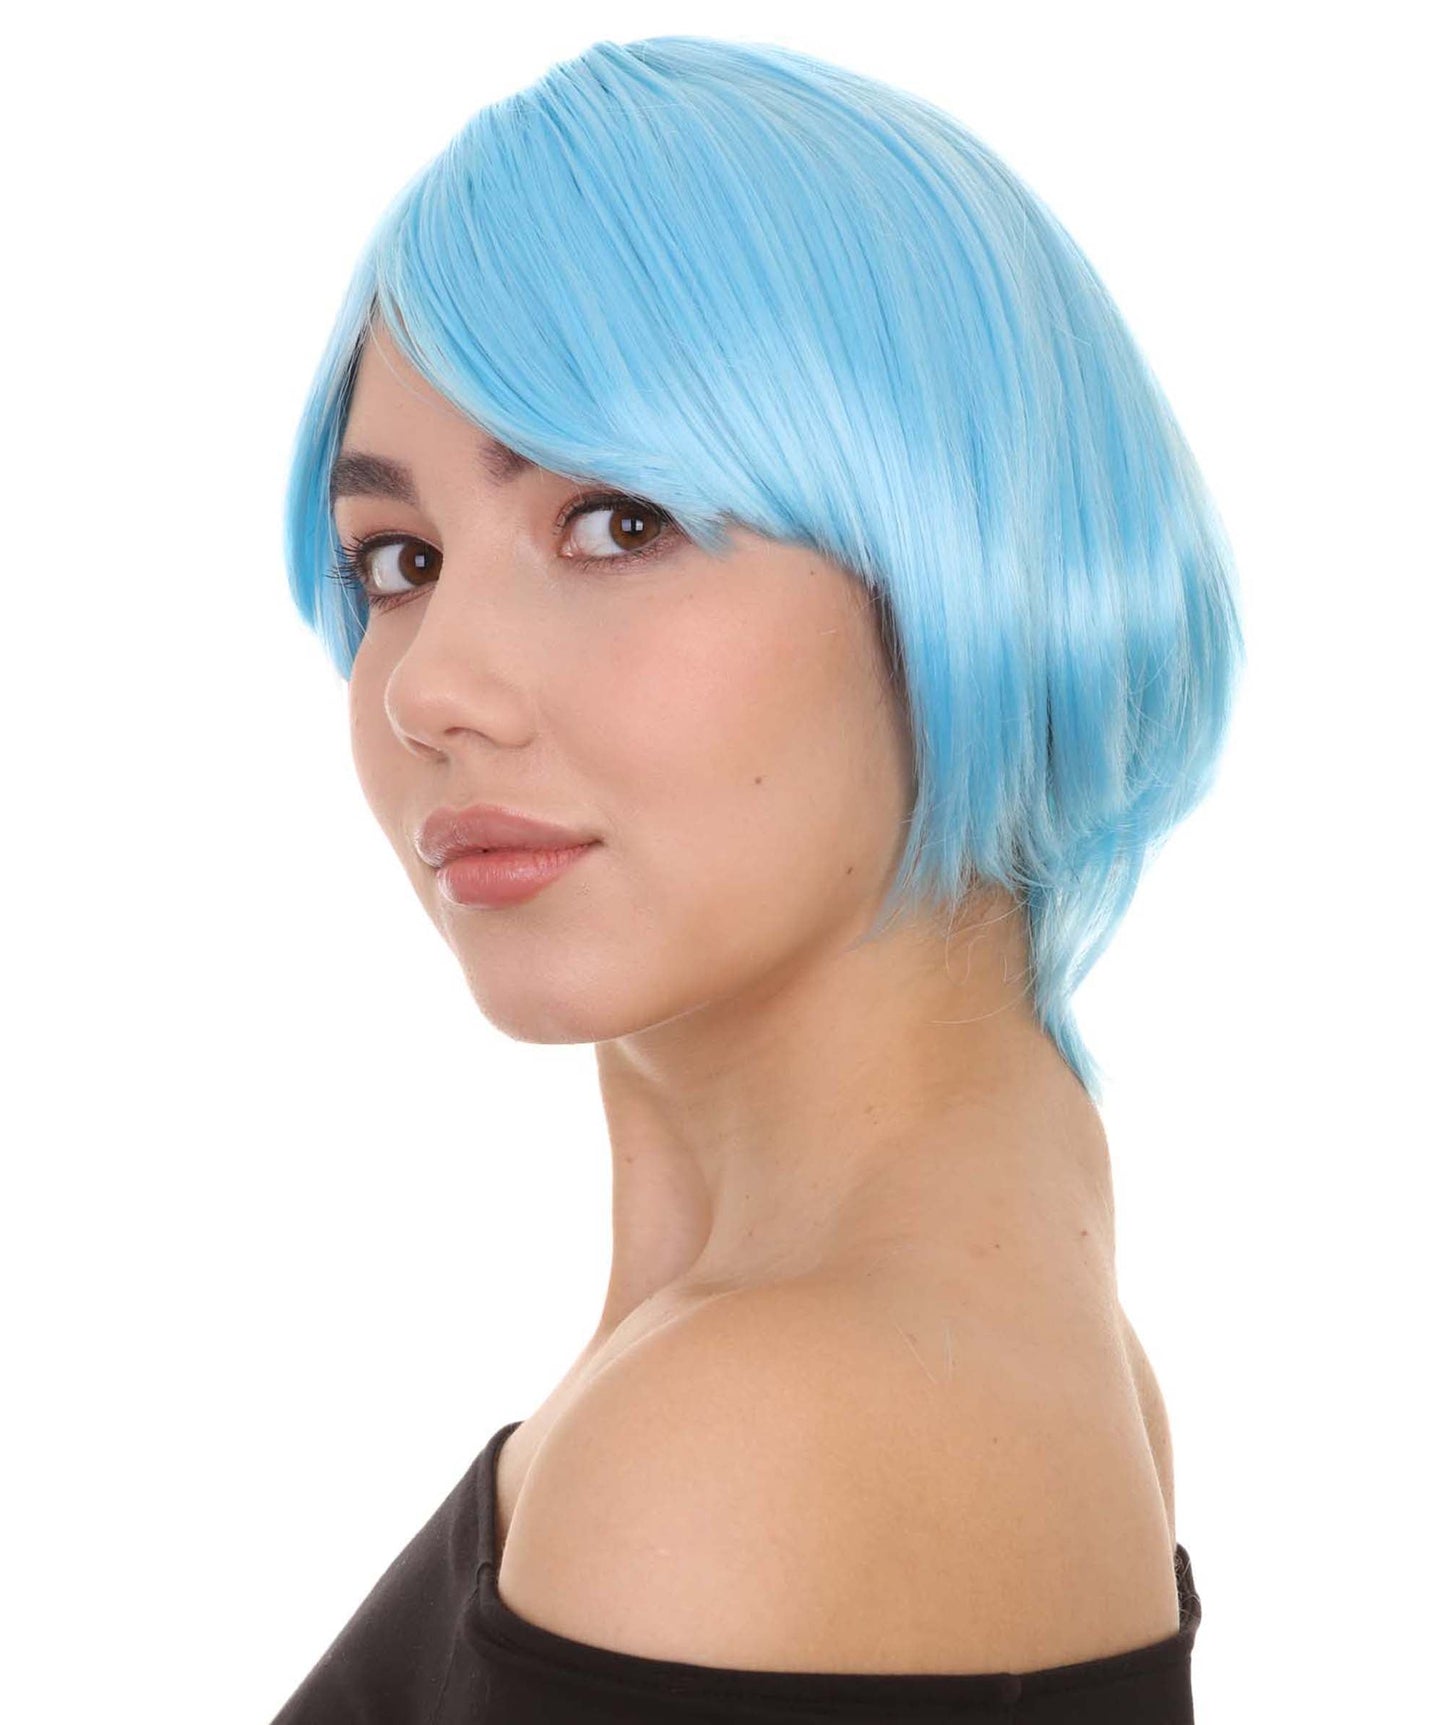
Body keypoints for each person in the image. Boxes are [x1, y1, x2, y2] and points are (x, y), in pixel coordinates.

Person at [272, 32, 1240, 1722]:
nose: (428, 686)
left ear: (957, 555)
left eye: (616, 522)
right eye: (399, 559)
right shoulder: (926, 1351)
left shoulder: (752, 1442)